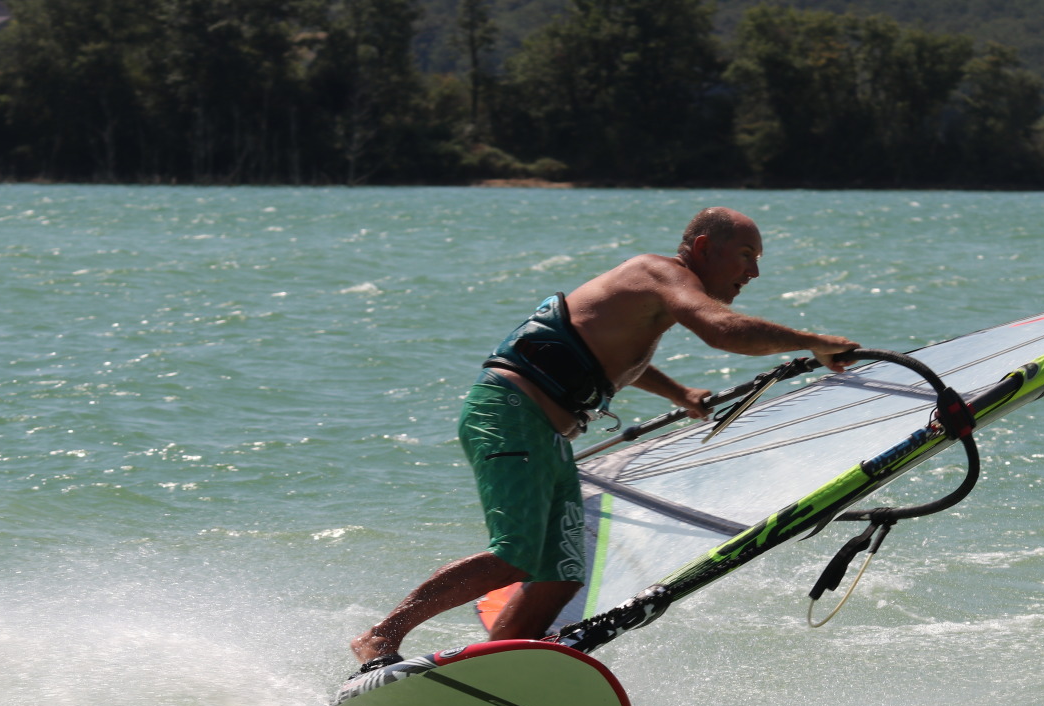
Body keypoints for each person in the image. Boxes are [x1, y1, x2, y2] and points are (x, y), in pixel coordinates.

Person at [350, 206, 859, 667]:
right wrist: (813, 342)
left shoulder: (649, 296)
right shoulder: (660, 272)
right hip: (509, 412)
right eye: (746, 255)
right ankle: (381, 635)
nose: (753, 273)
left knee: (561, 573)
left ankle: (490, 668)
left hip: (546, 434)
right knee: (517, 552)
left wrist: (679, 393)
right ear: (704, 247)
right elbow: (722, 329)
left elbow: (613, 357)